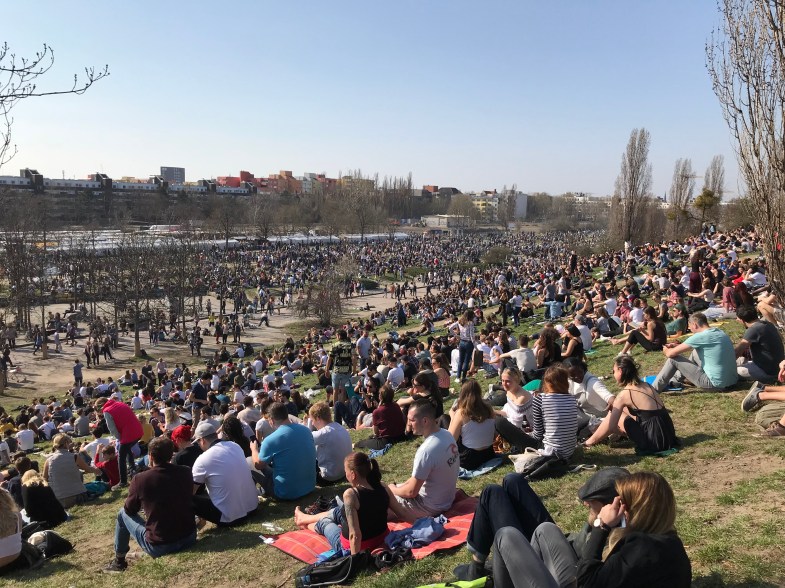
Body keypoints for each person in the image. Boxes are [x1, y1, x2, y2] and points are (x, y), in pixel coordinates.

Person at [485, 472, 691, 588]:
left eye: (621, 502)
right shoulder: (669, 542)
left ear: (632, 509)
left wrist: (602, 526)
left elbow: (586, 582)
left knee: (506, 536)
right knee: (544, 529)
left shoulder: (641, 549)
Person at [454, 467, 630, 582]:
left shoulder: (616, 540)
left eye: (592, 502)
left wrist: (601, 527)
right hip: (557, 550)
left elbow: (585, 573)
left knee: (491, 495)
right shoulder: (611, 524)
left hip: (543, 573)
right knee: (513, 480)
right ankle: (479, 566)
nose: (585, 504)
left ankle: (476, 567)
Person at [104, 437, 197, 572]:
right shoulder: (186, 471)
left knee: (121, 514)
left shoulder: (140, 479)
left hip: (161, 545)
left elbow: (129, 510)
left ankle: (119, 561)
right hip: (189, 537)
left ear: (151, 456)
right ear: (171, 454)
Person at [293, 452, 403, 554]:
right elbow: (402, 512)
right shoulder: (382, 486)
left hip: (351, 546)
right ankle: (304, 518)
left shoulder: (351, 495)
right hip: (381, 537)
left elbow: (355, 535)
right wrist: (414, 524)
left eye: (346, 472)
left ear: (353, 474)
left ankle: (305, 525)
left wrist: (355, 560)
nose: (345, 475)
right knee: (337, 511)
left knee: (324, 522)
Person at [585, 355, 678, 453]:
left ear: (620, 371)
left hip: (653, 442)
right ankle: (591, 441)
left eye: (614, 371)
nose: (613, 374)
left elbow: (612, 427)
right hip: (668, 435)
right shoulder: (647, 385)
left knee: (613, 412)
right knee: (621, 409)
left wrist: (625, 433)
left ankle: (589, 442)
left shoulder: (625, 394)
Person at [388, 398, 459, 521]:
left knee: (380, 499)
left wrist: (392, 490)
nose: (408, 424)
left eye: (412, 420)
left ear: (425, 421)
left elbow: (411, 492)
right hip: (446, 499)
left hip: (429, 507)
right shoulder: (447, 434)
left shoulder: (426, 450)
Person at [651, 312, 738, 393]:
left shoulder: (700, 336)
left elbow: (670, 354)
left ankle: (654, 390)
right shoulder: (719, 332)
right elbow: (700, 344)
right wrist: (676, 346)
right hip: (732, 381)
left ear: (695, 325)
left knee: (672, 360)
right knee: (695, 352)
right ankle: (676, 379)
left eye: (690, 326)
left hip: (715, 385)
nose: (690, 329)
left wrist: (666, 349)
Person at [191, 422, 258, 526]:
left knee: (187, 498)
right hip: (253, 507)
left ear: (202, 440)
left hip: (230, 517)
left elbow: (192, 490)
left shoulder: (202, 459)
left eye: (198, 442)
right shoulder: (234, 445)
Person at [250, 402, 316, 500]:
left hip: (285, 493)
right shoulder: (306, 430)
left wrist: (254, 449)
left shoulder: (270, 440)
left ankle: (254, 494)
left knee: (249, 460)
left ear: (271, 420)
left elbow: (258, 465)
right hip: (310, 486)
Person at [447, 380, 496, 470]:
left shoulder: (461, 412)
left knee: (444, 420)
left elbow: (450, 439)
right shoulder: (489, 408)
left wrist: (452, 415)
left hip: (470, 460)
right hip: (489, 454)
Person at [96, 397, 143, 488]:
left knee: (121, 457)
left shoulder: (107, 410)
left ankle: (123, 481)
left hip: (129, 434)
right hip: (138, 430)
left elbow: (112, 429)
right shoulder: (119, 403)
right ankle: (132, 469)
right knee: (127, 449)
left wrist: (120, 439)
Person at [43, 433, 100, 507]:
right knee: (98, 486)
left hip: (59, 500)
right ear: (66, 443)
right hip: (77, 497)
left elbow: (44, 479)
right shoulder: (74, 457)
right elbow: (88, 469)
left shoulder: (48, 460)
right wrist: (97, 470)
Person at [563, 357, 615, 438]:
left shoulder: (592, 382)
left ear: (582, 368)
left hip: (598, 417)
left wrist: (613, 403)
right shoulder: (569, 381)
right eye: (572, 375)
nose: (577, 377)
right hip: (584, 414)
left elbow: (610, 398)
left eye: (580, 372)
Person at [734, 304, 785, 383]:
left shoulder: (754, 329)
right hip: (777, 367)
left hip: (767, 372)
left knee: (731, 371)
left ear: (742, 320)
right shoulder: (768, 324)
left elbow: (737, 352)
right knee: (741, 360)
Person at [309, 402, 352, 485]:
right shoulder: (340, 427)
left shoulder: (322, 433)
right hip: (345, 472)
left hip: (328, 478)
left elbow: (303, 438)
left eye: (312, 420)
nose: (312, 424)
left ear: (318, 418)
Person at [354, 384, 406, 450]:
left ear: (380, 396)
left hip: (386, 441)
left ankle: (354, 445)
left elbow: (376, 433)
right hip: (401, 436)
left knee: (361, 443)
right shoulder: (396, 406)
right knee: (370, 438)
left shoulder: (377, 411)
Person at [449, 310, 477, 383]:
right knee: (466, 361)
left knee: (461, 361)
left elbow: (450, 328)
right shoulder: (470, 323)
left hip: (461, 342)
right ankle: (464, 377)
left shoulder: (459, 321)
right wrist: (476, 346)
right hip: (469, 343)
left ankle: (458, 377)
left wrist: (456, 335)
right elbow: (472, 336)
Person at [327, 330, 357, 396]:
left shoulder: (334, 345)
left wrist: (327, 370)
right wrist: (354, 369)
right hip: (347, 370)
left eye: (336, 335)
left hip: (336, 370)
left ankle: (335, 402)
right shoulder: (350, 345)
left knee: (335, 390)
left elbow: (329, 359)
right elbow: (354, 358)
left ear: (339, 336)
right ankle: (342, 402)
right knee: (344, 390)